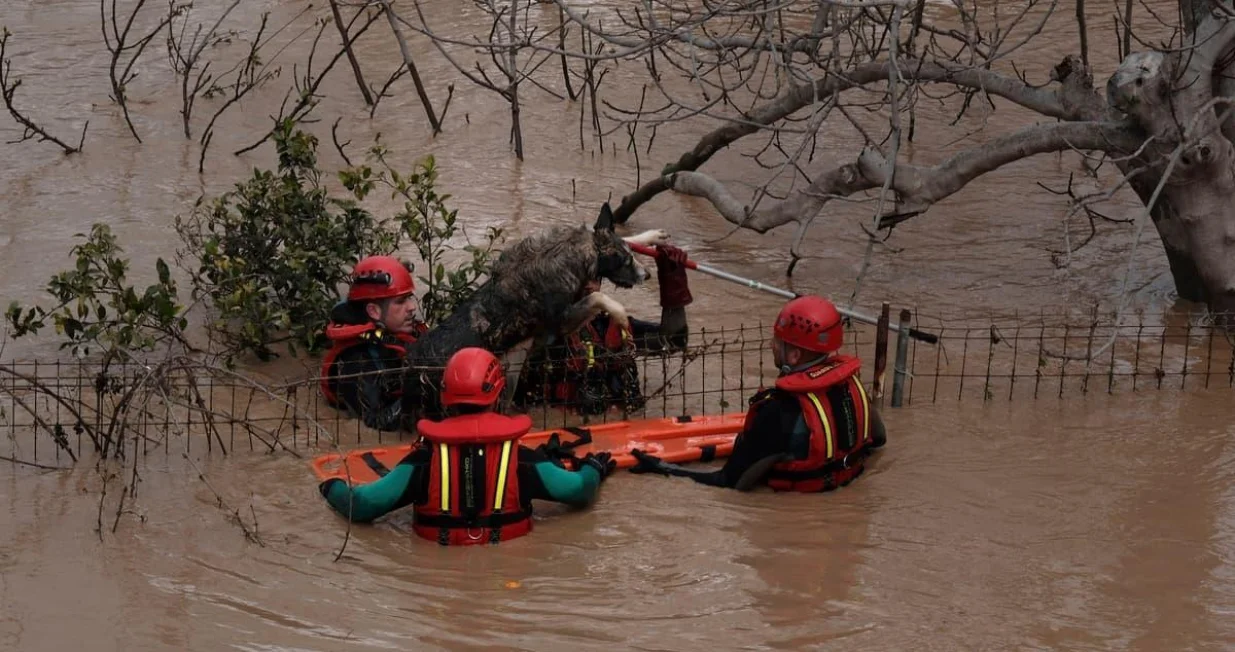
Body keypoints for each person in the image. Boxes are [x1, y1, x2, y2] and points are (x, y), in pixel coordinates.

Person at [318, 347, 617, 545]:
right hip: (507, 569)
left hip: (437, 575)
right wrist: (593, 468)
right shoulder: (524, 461)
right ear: (499, 395)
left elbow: (364, 506)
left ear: (445, 397)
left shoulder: (422, 462)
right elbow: (579, 491)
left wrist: (331, 487)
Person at [627, 295, 888, 492]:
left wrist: (662, 467)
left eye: (777, 341)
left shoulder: (778, 411)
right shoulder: (851, 384)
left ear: (794, 354)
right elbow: (879, 440)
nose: (771, 345)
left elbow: (729, 483)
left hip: (791, 522)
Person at [512, 242, 695, 414]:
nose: (589, 285)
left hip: (617, 427)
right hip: (556, 428)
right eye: (580, 279)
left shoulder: (615, 324)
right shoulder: (537, 327)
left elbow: (672, 342)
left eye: (594, 278)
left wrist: (673, 288)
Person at [320, 255, 429, 432]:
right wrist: (417, 389)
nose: (412, 307)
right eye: (401, 301)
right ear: (374, 311)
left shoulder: (395, 330)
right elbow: (374, 424)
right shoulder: (356, 362)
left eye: (409, 297)